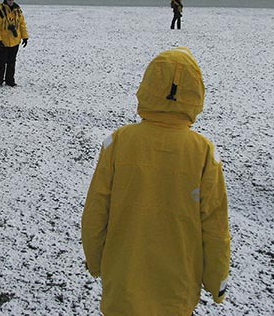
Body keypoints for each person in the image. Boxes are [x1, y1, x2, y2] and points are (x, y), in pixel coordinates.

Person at [82, 47, 230, 315]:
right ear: (195, 94)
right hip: (177, 285)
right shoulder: (202, 151)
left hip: (123, 275)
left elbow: (96, 210)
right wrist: (216, 279)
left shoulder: (119, 142)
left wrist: (96, 260)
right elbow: (215, 224)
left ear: (147, 87)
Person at [0, 0, 28, 87]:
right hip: (3, 42)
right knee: (1, 62)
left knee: (12, 62)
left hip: (14, 41)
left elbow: (22, 24)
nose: (11, 1)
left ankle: (10, 80)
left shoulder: (18, 11)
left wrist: (25, 37)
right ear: (5, 0)